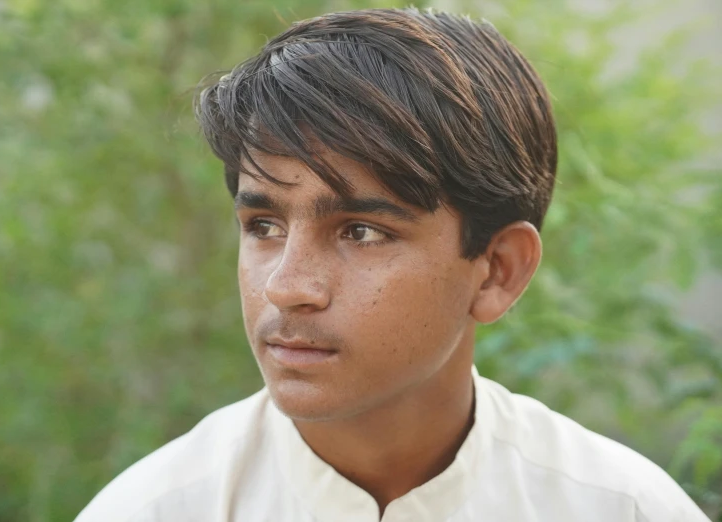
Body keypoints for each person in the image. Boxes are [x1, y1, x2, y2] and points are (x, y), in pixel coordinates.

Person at [74, 8, 710, 522]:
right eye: (263, 227)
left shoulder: (620, 508)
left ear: (497, 271)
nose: (286, 286)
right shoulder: (155, 508)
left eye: (361, 231)